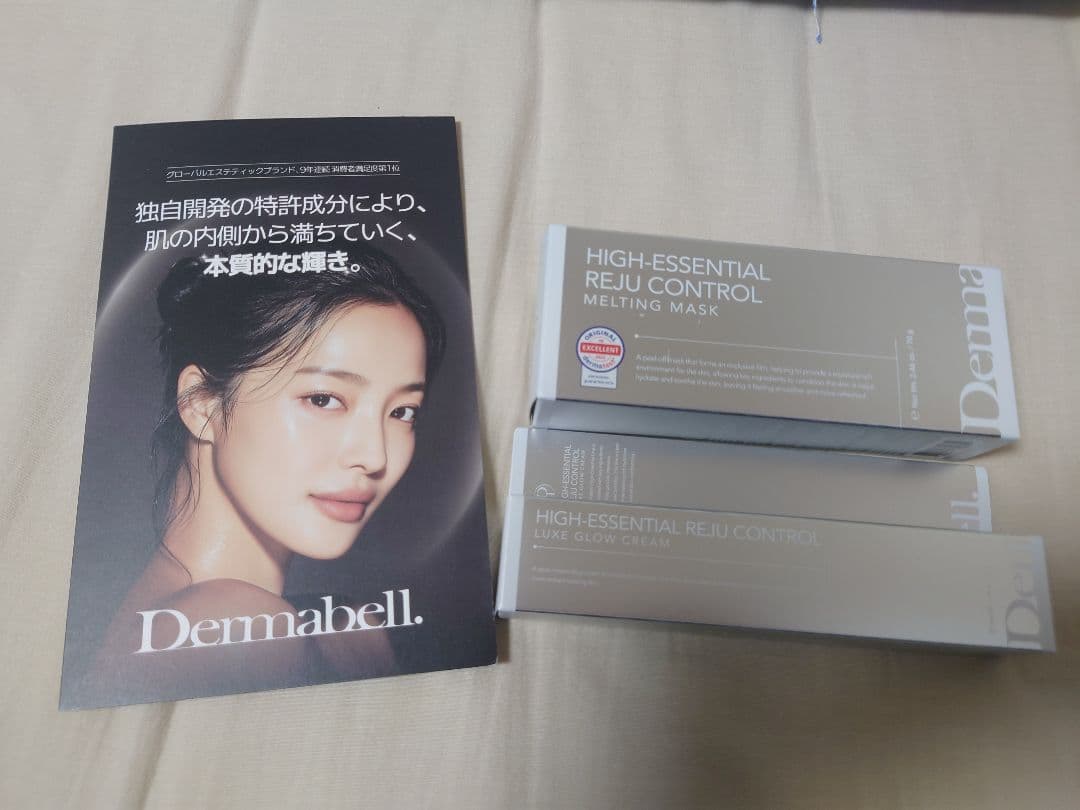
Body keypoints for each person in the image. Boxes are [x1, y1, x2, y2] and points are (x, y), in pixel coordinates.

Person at [84, 248, 445, 700]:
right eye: (323, 399)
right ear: (201, 403)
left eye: (403, 411)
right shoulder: (233, 628)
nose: (375, 456)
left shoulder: (339, 626)